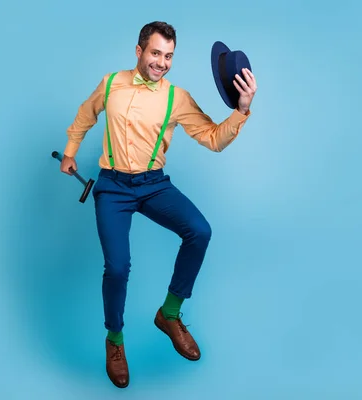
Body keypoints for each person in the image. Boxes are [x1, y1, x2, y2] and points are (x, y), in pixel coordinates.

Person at [60, 21, 257, 388]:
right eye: (155, 53)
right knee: (117, 268)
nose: (161, 63)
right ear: (139, 51)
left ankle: (169, 313)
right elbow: (86, 115)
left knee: (199, 231)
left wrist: (241, 110)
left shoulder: (176, 98)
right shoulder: (111, 84)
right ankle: (115, 341)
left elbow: (213, 138)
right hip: (113, 186)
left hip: (153, 185)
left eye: (168, 56)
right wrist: (70, 152)